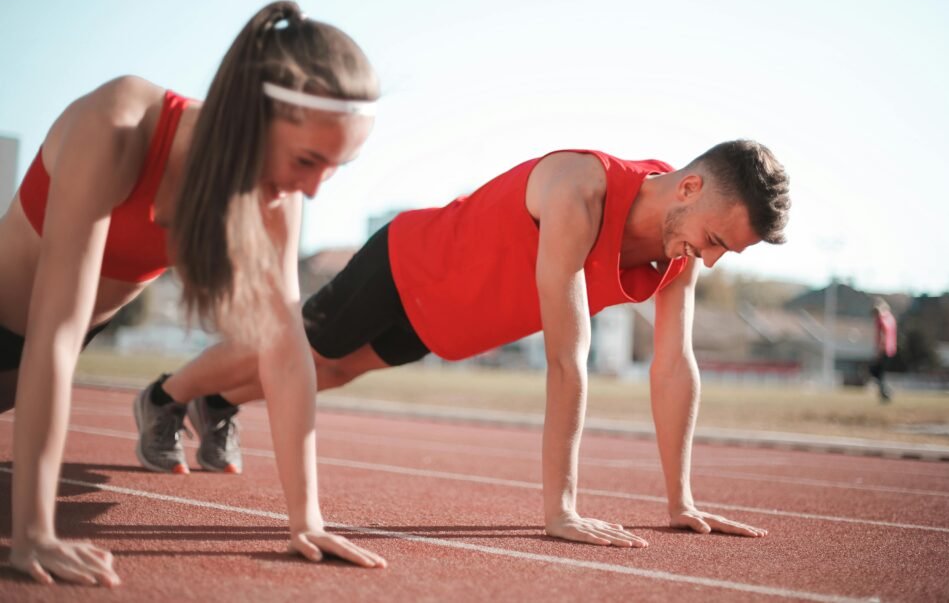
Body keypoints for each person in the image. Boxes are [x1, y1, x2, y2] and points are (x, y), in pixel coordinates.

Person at [143, 139, 790, 548]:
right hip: (410, 262)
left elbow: (675, 365)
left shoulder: (680, 257)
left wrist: (680, 499)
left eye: (724, 251)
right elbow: (568, 359)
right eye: (714, 239)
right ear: (689, 187)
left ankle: (217, 404)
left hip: (449, 321)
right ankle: (166, 396)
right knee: (305, 350)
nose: (709, 259)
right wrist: (559, 509)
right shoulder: (580, 188)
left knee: (333, 372)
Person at [0, 0, 388, 587]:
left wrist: (305, 520)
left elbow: (285, 351)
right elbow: (53, 333)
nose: (311, 188)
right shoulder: (119, 125)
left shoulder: (272, 199)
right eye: (307, 160)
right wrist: (34, 533)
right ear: (248, 116)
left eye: (335, 167)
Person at [870, 298, 897, 402]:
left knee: (875, 371)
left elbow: (883, 335)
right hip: (891, 349)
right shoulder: (890, 318)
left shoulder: (881, 319)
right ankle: (885, 392)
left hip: (884, 349)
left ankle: (886, 392)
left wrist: (879, 351)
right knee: (880, 373)